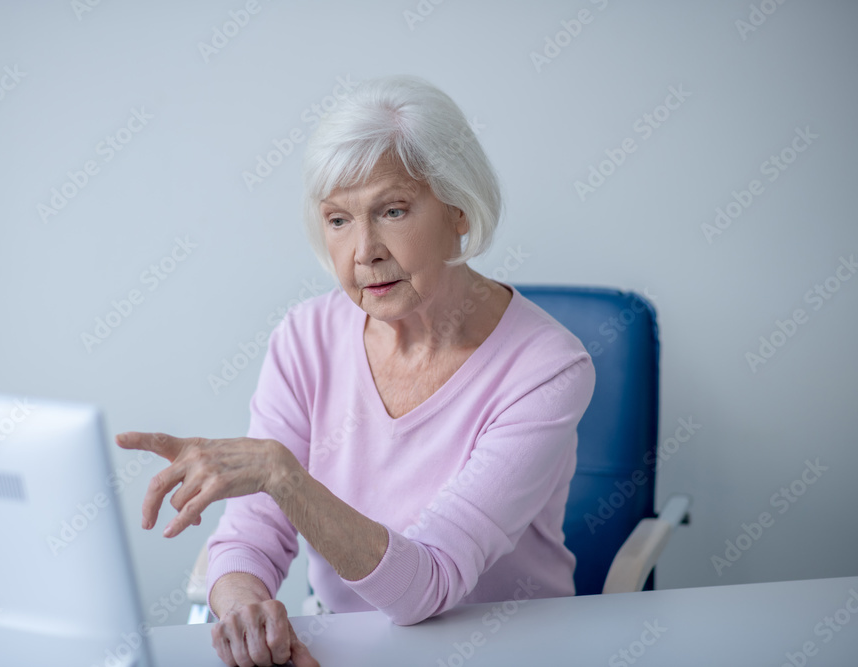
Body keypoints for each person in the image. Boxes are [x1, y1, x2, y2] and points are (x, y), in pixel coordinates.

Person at [115, 75, 596, 667]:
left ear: (459, 209)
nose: (364, 251)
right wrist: (245, 609)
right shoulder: (306, 338)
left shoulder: (546, 369)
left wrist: (282, 476)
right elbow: (250, 537)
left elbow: (429, 585)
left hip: (511, 651)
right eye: (338, 220)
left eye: (392, 211)